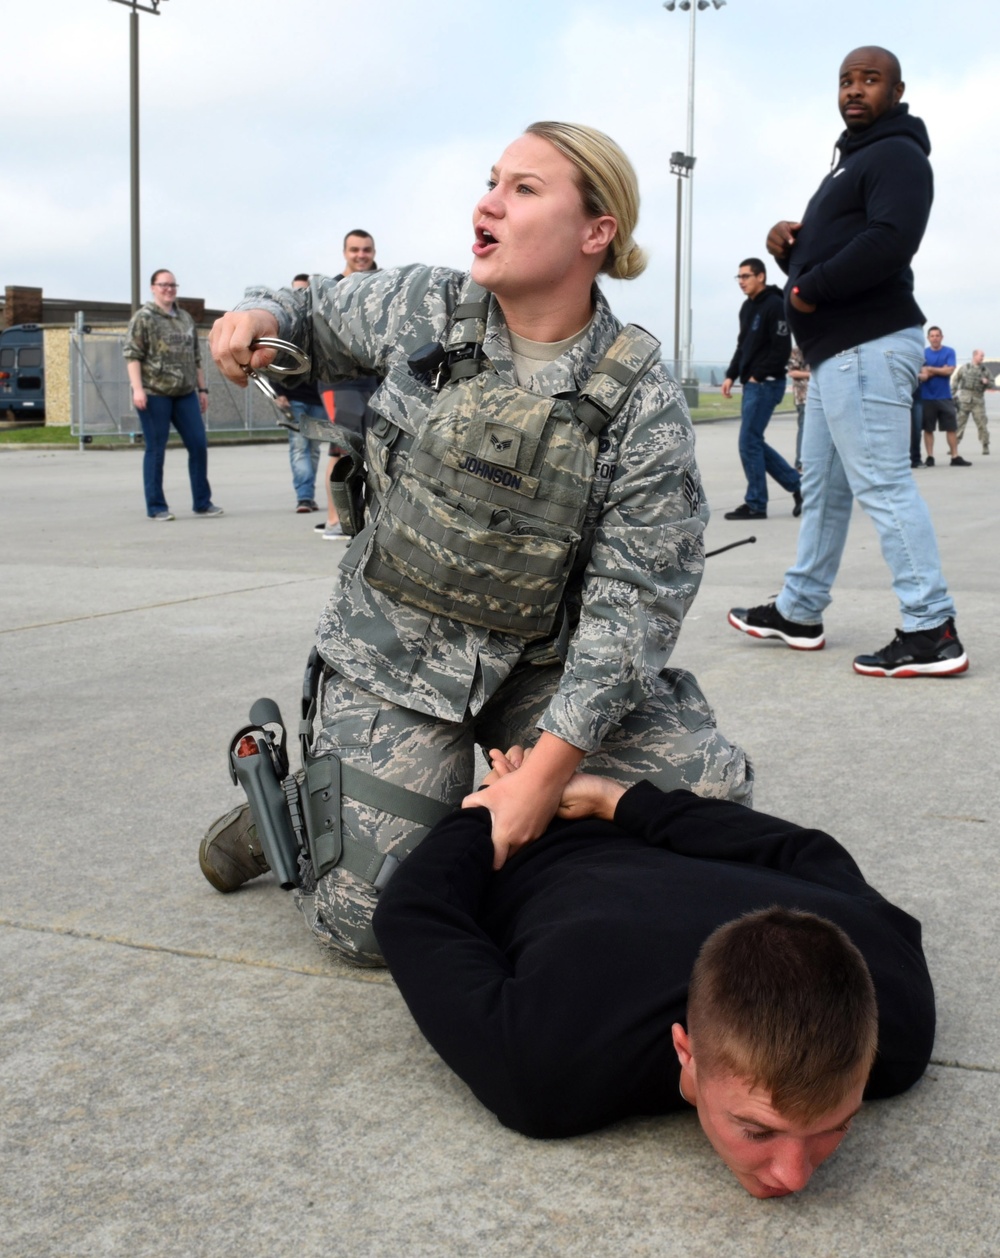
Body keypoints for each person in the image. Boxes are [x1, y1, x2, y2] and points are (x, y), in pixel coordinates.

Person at [201, 121, 752, 965]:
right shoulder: (429, 305)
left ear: (595, 232)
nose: (487, 203)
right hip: (398, 659)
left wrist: (543, 774)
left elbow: (635, 603)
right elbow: (306, 312)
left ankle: (462, 815)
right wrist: (259, 314)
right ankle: (302, 803)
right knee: (372, 926)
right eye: (493, 181)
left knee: (708, 797)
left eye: (524, 189)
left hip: (545, 680)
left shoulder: (639, 395)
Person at [372, 755, 935, 1199]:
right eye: (758, 1130)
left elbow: (802, 850)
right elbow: (410, 912)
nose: (795, 1176)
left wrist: (593, 799)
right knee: (347, 919)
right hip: (532, 856)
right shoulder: (547, 1063)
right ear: (685, 1051)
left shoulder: (897, 1019)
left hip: (605, 822)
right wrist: (496, 810)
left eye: (837, 1127)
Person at [727, 48, 968, 678]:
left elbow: (890, 240)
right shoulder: (853, 161)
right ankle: (800, 610)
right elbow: (835, 248)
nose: (855, 90)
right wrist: (789, 249)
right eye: (846, 80)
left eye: (870, 80)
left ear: (897, 90)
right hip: (839, 353)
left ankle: (931, 628)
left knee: (884, 485)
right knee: (825, 492)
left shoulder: (897, 154)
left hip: (868, 344)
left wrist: (807, 290)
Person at [123, 269, 223, 520]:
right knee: (156, 450)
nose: (169, 289)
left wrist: (202, 389)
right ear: (153, 288)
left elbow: (196, 357)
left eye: (172, 285)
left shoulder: (185, 318)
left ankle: (202, 502)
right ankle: (156, 506)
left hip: (185, 393)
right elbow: (132, 355)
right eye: (163, 285)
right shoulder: (143, 318)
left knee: (198, 444)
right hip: (155, 393)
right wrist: (138, 389)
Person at [313, 231, 380, 540]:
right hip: (339, 382)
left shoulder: (384, 285)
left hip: (375, 378)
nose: (361, 255)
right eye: (355, 250)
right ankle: (334, 520)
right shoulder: (332, 289)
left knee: (376, 451)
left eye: (366, 249)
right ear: (345, 252)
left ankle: (367, 518)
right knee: (342, 452)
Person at [721, 259, 801, 520]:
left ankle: (756, 504)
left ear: (761, 277)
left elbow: (781, 350)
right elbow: (742, 346)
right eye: (739, 276)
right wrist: (731, 375)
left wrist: (756, 375)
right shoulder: (747, 308)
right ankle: (800, 487)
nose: (742, 281)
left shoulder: (776, 306)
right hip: (752, 385)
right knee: (752, 442)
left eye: (746, 276)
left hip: (766, 384)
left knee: (748, 442)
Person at [272, 274, 328, 512]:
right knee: (299, 447)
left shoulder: (321, 323)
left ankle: (308, 495)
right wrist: (278, 392)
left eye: (304, 291)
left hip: (317, 397)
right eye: (295, 291)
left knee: (313, 449)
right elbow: (273, 358)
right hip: (293, 396)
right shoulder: (287, 324)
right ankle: (304, 497)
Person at [920, 326, 968, 467]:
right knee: (928, 429)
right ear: (928, 338)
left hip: (945, 396)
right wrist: (941, 369)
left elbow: (949, 371)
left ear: (942, 337)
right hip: (927, 397)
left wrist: (930, 369)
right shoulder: (923, 354)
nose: (935, 338)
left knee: (951, 427)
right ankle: (930, 457)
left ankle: (954, 456)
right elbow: (923, 376)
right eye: (932, 336)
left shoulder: (949, 351)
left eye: (937, 335)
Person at [953, 348, 991, 455]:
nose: (982, 358)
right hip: (964, 399)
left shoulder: (985, 371)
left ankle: (985, 445)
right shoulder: (965, 368)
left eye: (983, 356)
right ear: (975, 356)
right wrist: (951, 394)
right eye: (981, 356)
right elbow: (956, 380)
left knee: (982, 424)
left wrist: (986, 382)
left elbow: (992, 384)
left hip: (978, 400)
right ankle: (954, 445)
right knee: (960, 423)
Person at [787, 344, 810, 471]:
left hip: (819, 394)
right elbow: (793, 372)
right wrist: (811, 374)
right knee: (804, 428)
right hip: (803, 396)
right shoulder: (797, 350)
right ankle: (800, 462)